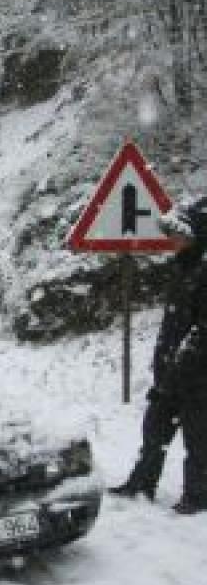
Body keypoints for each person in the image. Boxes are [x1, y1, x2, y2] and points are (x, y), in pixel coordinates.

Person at [109, 196, 207, 515]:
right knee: (154, 430)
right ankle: (143, 482)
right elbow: (174, 323)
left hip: (198, 377)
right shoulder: (183, 266)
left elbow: (201, 331)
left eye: (181, 234)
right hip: (171, 371)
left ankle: (197, 495)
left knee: (199, 438)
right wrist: (164, 365)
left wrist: (182, 363)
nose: (174, 241)